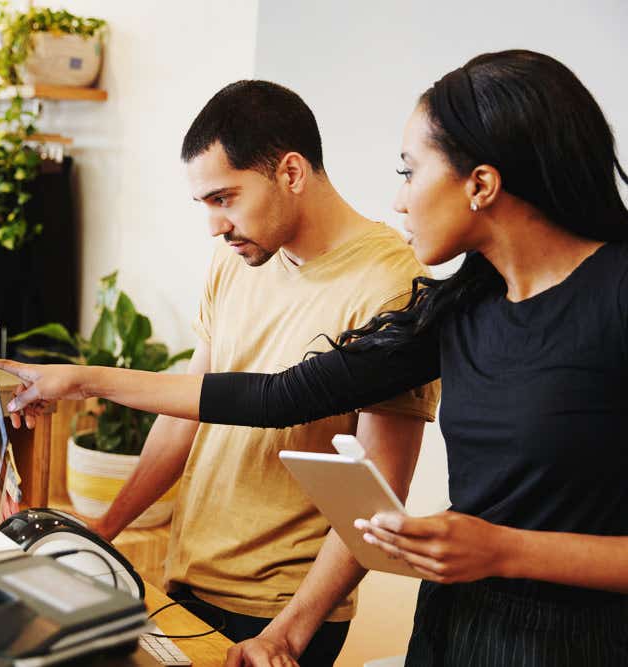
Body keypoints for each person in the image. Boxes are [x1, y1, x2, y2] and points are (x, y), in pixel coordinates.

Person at [0, 49, 628, 665]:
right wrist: (83, 386)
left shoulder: (611, 296)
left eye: (410, 171)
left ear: (481, 184)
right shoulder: (458, 310)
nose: (400, 197)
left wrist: (504, 551)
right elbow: (277, 396)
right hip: (455, 630)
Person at [23, 80, 440, 666]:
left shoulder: (390, 283)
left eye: (225, 199)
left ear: (291, 173)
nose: (215, 226)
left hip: (279, 607)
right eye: (206, 205)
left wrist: (290, 631)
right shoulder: (237, 258)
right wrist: (104, 530)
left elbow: (379, 492)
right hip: (187, 576)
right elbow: (184, 417)